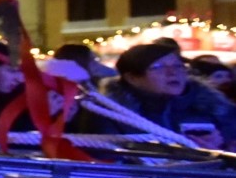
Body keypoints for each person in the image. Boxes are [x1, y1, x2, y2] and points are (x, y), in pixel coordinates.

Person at [87, 42, 236, 149]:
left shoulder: (217, 108)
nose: (173, 72)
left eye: (178, 65)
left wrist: (224, 145)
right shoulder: (109, 114)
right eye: (158, 67)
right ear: (132, 78)